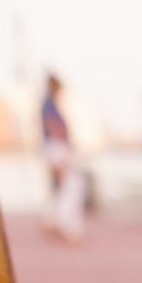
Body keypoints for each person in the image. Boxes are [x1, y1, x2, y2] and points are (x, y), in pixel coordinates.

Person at [40, 73, 87, 244]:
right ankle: (66, 226)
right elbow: (53, 126)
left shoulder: (48, 103)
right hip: (58, 150)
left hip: (56, 149)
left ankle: (54, 221)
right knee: (71, 185)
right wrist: (64, 148)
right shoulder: (49, 105)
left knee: (60, 187)